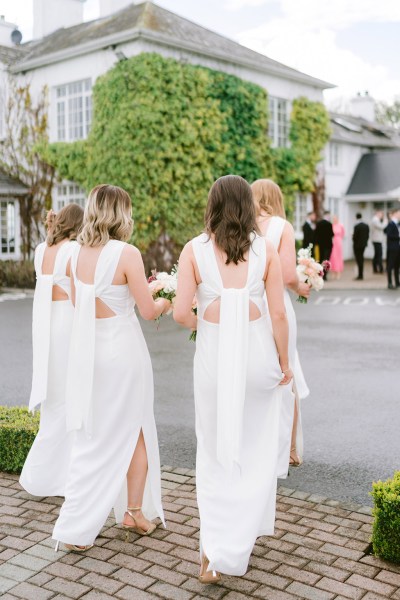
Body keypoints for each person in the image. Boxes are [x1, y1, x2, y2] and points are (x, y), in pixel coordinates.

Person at [174, 175, 292, 582]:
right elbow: (278, 314)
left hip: (213, 360)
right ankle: (239, 537)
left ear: (212, 204)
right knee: (256, 448)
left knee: (213, 450)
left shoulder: (194, 250)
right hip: (259, 357)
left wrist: (203, 326)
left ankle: (211, 555)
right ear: (247, 205)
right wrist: (284, 362)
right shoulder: (266, 250)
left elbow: (179, 313)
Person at [52, 184, 170, 552]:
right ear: (121, 213)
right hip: (123, 352)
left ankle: (118, 514)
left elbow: (76, 304)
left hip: (89, 354)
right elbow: (148, 311)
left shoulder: (70, 255)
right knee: (136, 427)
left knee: (93, 436)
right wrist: (167, 297)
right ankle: (130, 511)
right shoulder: (126, 253)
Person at [20, 204, 84, 497]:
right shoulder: (72, 251)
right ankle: (62, 476)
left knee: (54, 398)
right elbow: (77, 293)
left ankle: (44, 476)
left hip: (46, 327)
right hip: (67, 323)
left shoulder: (39, 250)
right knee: (70, 397)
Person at [251, 179, 310, 472]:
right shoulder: (281, 227)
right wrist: (302, 286)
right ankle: (288, 448)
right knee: (288, 370)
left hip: (249, 307)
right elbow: (287, 275)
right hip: (276, 306)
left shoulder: (242, 225)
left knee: (257, 367)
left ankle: (257, 441)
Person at [314, 211, 334, 277]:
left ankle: (320, 273)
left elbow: (315, 234)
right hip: (328, 245)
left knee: (321, 258)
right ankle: (325, 275)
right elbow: (332, 234)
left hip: (320, 245)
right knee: (326, 260)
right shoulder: (329, 224)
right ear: (327, 215)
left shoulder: (319, 223)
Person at [384, 208, 400, 289]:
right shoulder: (391, 224)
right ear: (395, 214)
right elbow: (389, 235)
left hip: (398, 248)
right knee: (390, 266)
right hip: (393, 248)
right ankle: (389, 283)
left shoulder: (398, 223)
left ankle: (397, 282)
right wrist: (398, 237)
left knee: (397, 266)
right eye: (399, 213)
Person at [352, 213, 369, 281]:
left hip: (357, 246)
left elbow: (354, 237)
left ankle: (360, 275)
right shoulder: (366, 226)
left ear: (356, 218)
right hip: (363, 245)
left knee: (359, 260)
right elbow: (367, 236)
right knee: (361, 259)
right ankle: (361, 274)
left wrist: (353, 237)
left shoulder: (356, 226)